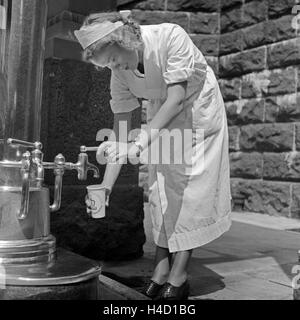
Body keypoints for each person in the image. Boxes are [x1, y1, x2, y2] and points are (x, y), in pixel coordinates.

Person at [74, 10, 232, 300]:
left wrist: (139, 144)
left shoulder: (170, 36)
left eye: (111, 58)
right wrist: (106, 187)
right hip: (162, 111)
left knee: (189, 189)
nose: (112, 66)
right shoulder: (119, 74)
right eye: (105, 64)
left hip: (197, 109)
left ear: (122, 39)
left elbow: (177, 97)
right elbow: (120, 133)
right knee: (160, 189)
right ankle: (160, 273)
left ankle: (179, 276)